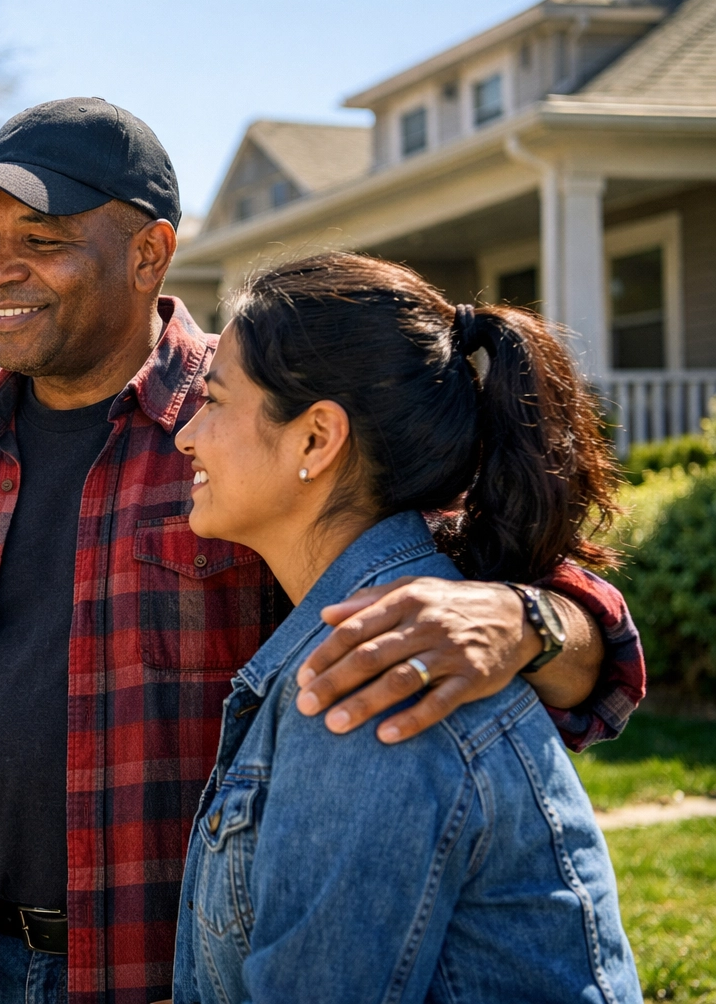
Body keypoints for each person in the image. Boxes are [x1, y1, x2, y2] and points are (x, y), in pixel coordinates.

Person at [0, 97, 646, 1004]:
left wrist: (524, 618)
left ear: (149, 254)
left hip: (172, 968)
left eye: (42, 241)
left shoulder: (264, 423)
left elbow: (517, 588)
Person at [170, 254, 638, 1002]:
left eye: (215, 402)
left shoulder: (379, 677)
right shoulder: (401, 621)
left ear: (316, 439)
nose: (186, 436)